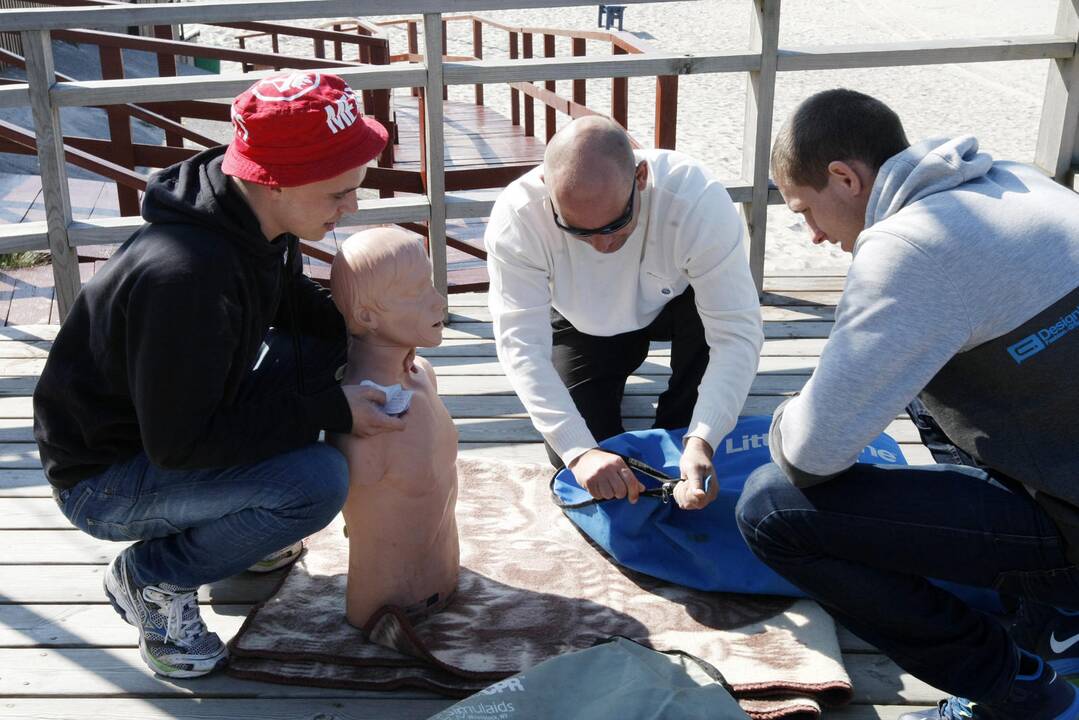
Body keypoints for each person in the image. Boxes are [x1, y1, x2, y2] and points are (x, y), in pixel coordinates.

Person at [33, 71, 408, 678]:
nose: (352, 207)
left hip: (170, 423)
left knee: (316, 354)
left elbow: (288, 300)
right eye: (339, 194)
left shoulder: (247, 211)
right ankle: (152, 578)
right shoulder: (186, 280)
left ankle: (235, 530)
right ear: (277, 181)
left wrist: (370, 339)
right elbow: (180, 444)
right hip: (104, 477)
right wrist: (330, 409)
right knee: (314, 483)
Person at [735, 88, 1079, 720]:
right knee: (927, 377)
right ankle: (1063, 621)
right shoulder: (1023, 183)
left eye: (804, 210)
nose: (810, 235)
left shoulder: (910, 246)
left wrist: (791, 410)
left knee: (770, 510)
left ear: (844, 177)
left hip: (1070, 518)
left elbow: (812, 455)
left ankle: (1018, 689)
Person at [484, 116, 763, 510]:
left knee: (691, 439)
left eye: (616, 224)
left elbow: (737, 331)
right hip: (583, 322)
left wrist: (703, 437)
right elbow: (521, 346)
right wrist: (580, 452)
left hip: (678, 305)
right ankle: (618, 366)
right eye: (578, 230)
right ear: (547, 189)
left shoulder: (696, 197)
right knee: (582, 460)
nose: (601, 245)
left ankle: (680, 426)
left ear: (642, 176)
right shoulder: (516, 217)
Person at [327, 228, 459, 629]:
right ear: (367, 316)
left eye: (432, 284)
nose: (438, 300)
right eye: (417, 291)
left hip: (448, 580)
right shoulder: (361, 419)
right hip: (382, 607)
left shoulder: (423, 376)